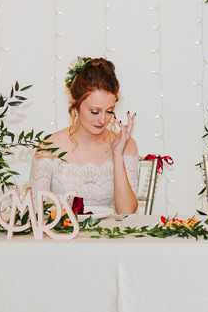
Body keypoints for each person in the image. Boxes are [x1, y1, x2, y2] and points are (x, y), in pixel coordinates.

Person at [30, 57, 138, 214]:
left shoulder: (126, 145)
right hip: (62, 234)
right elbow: (37, 211)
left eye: (109, 111)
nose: (102, 120)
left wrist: (117, 155)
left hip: (111, 236)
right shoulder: (49, 146)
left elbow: (126, 213)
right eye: (95, 111)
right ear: (76, 103)